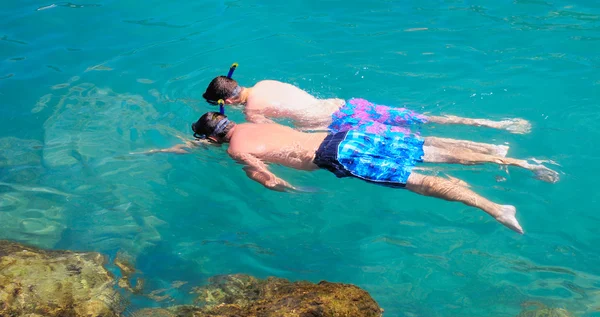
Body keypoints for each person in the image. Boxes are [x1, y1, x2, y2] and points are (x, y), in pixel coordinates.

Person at [174, 110, 559, 234]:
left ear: (213, 140)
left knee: (417, 180)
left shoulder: (238, 148)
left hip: (336, 155)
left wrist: (283, 189)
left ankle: (495, 208)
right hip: (344, 134)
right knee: (430, 151)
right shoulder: (252, 122)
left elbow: (267, 178)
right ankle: (516, 161)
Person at [202, 64, 532, 134]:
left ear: (226, 103)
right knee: (418, 118)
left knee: (408, 138)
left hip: (331, 122)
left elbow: (271, 136)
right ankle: (493, 124)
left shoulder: (254, 112)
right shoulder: (265, 81)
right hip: (344, 104)